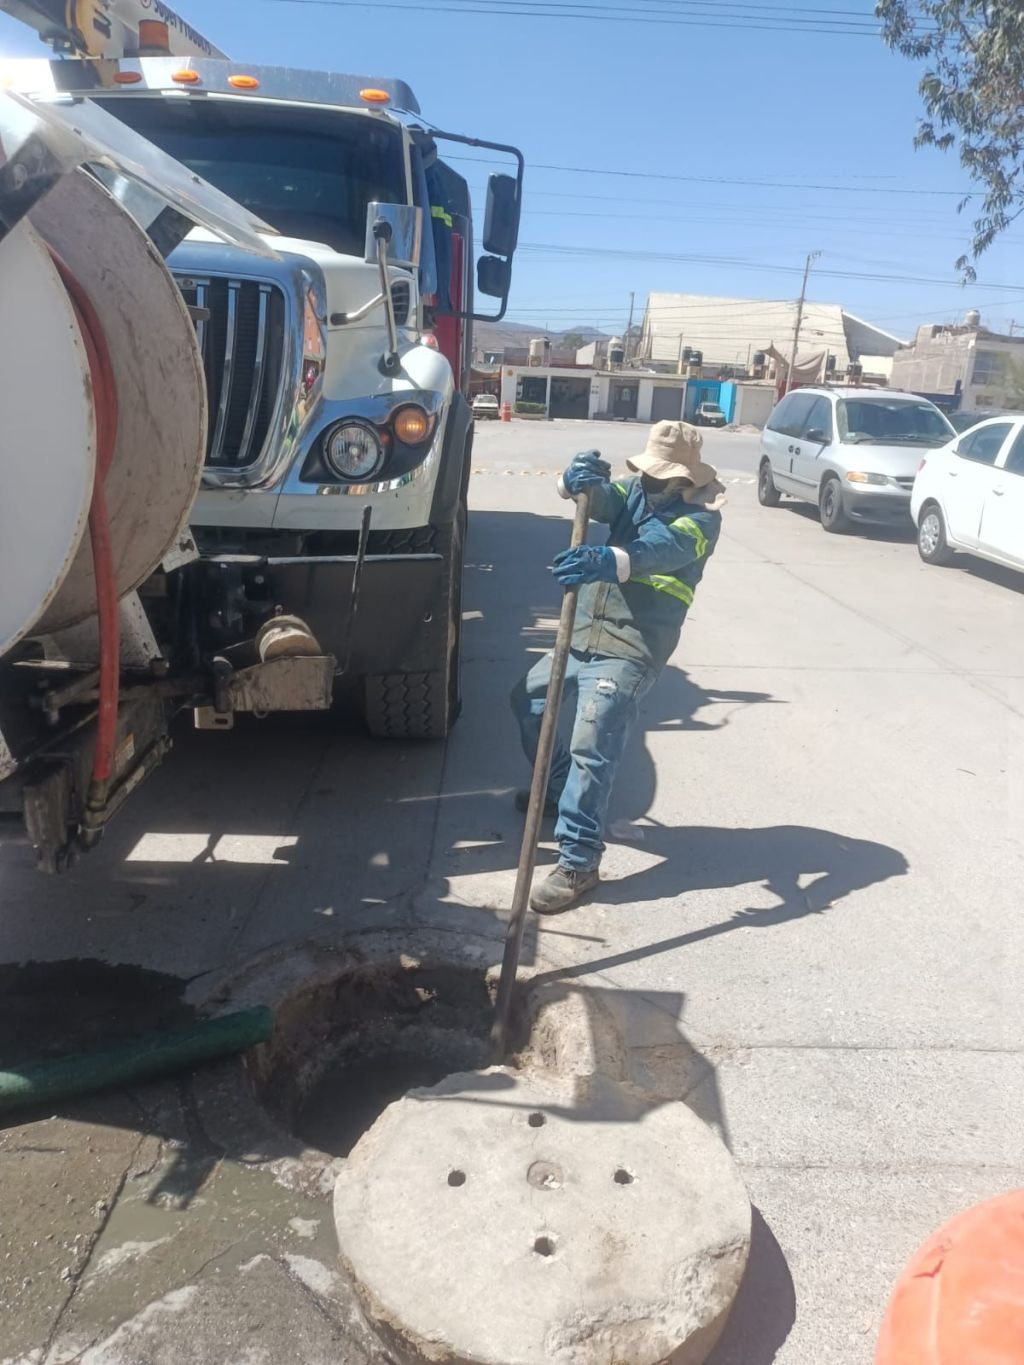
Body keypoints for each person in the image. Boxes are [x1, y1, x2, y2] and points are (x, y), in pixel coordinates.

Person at [510, 420, 725, 914]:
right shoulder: (636, 490)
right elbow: (599, 498)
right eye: (648, 472)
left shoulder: (702, 518)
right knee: (527, 699)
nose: (650, 481)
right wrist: (573, 481)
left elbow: (660, 552)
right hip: (581, 631)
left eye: (662, 476)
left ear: (685, 479)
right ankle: (557, 788)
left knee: (593, 743)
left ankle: (579, 860)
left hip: (632, 646)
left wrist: (609, 559)